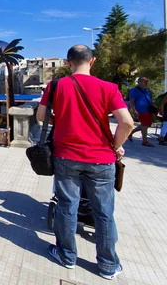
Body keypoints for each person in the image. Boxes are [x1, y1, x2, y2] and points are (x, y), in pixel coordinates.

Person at [36, 45, 134, 280]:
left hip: (66, 155)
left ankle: (66, 255)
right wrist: (115, 144)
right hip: (102, 158)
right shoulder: (109, 88)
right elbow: (127, 123)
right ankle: (108, 265)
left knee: (67, 206)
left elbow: (41, 117)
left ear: (68, 63)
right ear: (93, 61)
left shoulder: (56, 85)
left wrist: (62, 118)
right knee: (104, 212)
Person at [128, 77, 158, 147]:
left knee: (146, 125)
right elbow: (132, 101)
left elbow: (149, 100)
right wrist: (134, 110)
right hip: (141, 110)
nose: (145, 82)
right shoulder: (134, 90)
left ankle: (130, 133)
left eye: (146, 81)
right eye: (143, 81)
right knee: (144, 125)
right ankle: (145, 141)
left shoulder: (146, 90)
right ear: (139, 82)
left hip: (148, 110)